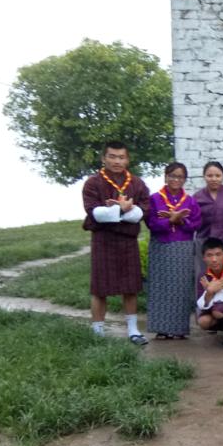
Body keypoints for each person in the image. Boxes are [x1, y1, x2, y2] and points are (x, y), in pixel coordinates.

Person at [82, 141, 151, 344]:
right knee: (100, 288)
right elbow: (93, 211)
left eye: (121, 157)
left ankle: (133, 330)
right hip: (103, 240)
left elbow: (144, 209)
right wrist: (122, 209)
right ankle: (98, 331)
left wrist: (129, 211)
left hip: (128, 240)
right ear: (104, 158)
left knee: (130, 287)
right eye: (112, 156)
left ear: (127, 160)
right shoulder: (93, 183)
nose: (117, 161)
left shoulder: (137, 183)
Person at [146, 162, 202, 340]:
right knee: (160, 287)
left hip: (183, 248)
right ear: (165, 176)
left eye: (180, 177)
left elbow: (196, 223)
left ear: (185, 179)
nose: (175, 180)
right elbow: (152, 223)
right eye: (172, 176)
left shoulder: (190, 201)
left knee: (180, 287)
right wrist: (170, 220)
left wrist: (180, 221)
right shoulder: (155, 199)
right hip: (161, 246)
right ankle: (161, 328)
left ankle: (178, 329)